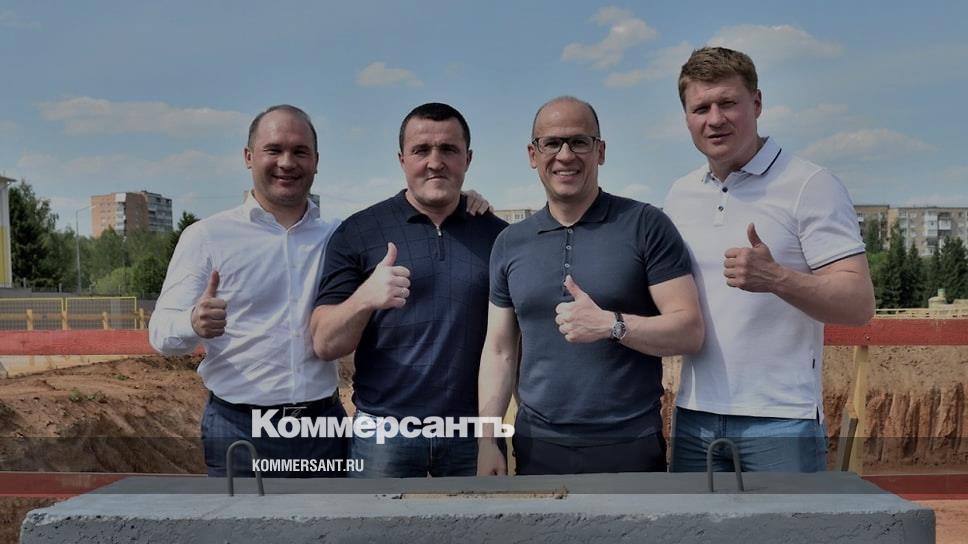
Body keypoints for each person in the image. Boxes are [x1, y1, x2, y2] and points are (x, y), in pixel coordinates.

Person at [663, 47, 875, 473]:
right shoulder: (679, 195)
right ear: (686, 118)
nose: (715, 119)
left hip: (781, 420)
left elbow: (858, 304)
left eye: (728, 103)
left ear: (756, 103)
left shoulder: (811, 184)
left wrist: (777, 278)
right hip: (694, 416)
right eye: (701, 108)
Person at [477, 96, 704, 476]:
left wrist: (611, 325)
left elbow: (689, 331)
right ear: (533, 155)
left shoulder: (645, 225)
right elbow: (499, 350)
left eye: (579, 142)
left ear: (601, 151)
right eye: (552, 143)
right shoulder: (510, 242)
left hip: (629, 444)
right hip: (537, 445)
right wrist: (487, 440)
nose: (565, 155)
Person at [149, 104, 347, 478]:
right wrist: (192, 322)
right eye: (274, 149)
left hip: (323, 428)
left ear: (316, 161)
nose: (287, 162)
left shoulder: (338, 237)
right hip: (239, 430)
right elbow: (160, 334)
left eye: (300, 151)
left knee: (327, 519)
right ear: (248, 156)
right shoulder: (207, 237)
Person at [311, 102, 507, 478]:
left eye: (448, 149)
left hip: (472, 432)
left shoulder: (498, 237)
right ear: (402, 159)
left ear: (468, 158)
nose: (435, 162)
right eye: (421, 150)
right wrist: (366, 297)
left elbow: (511, 345)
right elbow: (324, 343)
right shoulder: (358, 232)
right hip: (383, 433)